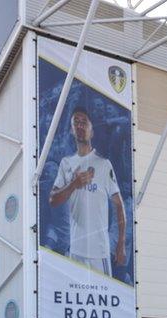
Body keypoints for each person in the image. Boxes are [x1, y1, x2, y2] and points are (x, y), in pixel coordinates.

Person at [49, 106, 127, 275]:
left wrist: (120, 244)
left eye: (84, 122)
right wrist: (73, 185)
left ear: (92, 130)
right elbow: (53, 200)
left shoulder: (104, 164)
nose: (80, 125)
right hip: (76, 251)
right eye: (75, 122)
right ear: (71, 130)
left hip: (100, 253)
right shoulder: (66, 163)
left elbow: (119, 205)